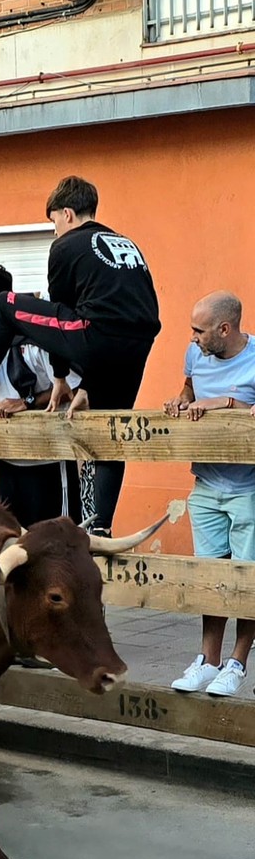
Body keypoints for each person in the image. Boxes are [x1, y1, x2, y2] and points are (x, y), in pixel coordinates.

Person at [0, 175, 162, 536]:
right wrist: (87, 382)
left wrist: (59, 376)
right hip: (139, 339)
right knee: (109, 432)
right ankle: (101, 525)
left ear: (67, 214)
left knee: (8, 305)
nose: (54, 229)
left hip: (96, 331)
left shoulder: (67, 246)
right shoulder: (124, 242)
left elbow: (61, 309)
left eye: (53, 221)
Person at [163, 291, 255, 698]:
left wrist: (228, 402)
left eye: (199, 330)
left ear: (225, 329)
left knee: (246, 579)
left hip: (248, 487)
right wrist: (182, 400)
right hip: (206, 483)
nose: (192, 337)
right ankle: (208, 660)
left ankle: (238, 662)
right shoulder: (195, 353)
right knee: (208, 578)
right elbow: (188, 385)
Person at [0, 262, 82, 526]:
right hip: (9, 463)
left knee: (58, 545)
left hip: (50, 461)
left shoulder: (39, 340)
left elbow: (72, 388)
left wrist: (27, 402)